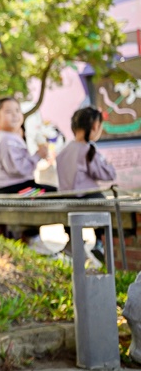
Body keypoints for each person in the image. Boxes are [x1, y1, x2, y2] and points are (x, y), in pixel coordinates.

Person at [55, 106, 117, 261]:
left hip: (66, 199)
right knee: (106, 203)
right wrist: (109, 165)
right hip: (85, 198)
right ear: (95, 126)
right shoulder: (88, 150)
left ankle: (73, 241)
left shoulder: (64, 150)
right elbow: (107, 174)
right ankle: (99, 242)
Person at [0, 97, 54, 194]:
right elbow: (18, 169)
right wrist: (38, 155)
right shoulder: (6, 140)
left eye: (18, 110)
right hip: (13, 191)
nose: (15, 115)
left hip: (16, 188)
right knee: (53, 194)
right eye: (8, 112)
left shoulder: (8, 137)